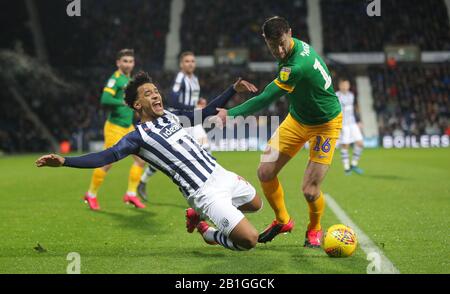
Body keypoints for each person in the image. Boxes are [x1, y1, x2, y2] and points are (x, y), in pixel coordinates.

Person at [36, 72, 263, 251]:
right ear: (137, 105)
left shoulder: (171, 116)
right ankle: (207, 232)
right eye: (148, 93)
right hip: (204, 192)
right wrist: (65, 160)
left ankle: (199, 216)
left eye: (156, 91)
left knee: (256, 205)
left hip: (221, 174)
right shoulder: (138, 138)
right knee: (249, 240)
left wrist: (233, 89)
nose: (156, 95)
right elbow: (105, 156)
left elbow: (205, 113)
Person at [216, 16, 342, 247]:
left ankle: (314, 228)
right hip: (296, 120)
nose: (280, 50)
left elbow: (265, 98)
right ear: (265, 39)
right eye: (274, 46)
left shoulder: (296, 66)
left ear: (290, 33)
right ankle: (283, 220)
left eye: (283, 43)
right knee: (265, 171)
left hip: (325, 125)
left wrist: (230, 114)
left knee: (310, 190)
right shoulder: (293, 51)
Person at [137, 52, 210, 201]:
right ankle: (143, 181)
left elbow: (192, 99)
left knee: (205, 147)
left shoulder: (194, 79)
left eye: (192, 61)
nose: (190, 64)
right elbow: (173, 98)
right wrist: (192, 106)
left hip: (192, 120)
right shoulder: (180, 78)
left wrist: (199, 103)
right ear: (181, 64)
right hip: (181, 120)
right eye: (187, 61)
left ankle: (204, 187)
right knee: (169, 155)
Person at [84, 49, 146, 211]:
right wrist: (122, 103)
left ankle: (131, 194)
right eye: (124, 61)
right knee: (107, 161)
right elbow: (105, 99)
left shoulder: (129, 79)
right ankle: (91, 194)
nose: (128, 64)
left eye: (130, 61)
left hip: (128, 127)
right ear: (118, 63)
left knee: (141, 159)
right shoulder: (115, 79)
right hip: (114, 127)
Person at [336, 78, 364, 175]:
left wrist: (359, 121)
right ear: (340, 86)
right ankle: (347, 168)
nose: (345, 86)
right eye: (344, 85)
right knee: (345, 145)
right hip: (343, 124)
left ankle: (354, 165)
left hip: (352, 123)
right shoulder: (336, 96)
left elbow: (354, 109)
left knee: (360, 143)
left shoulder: (351, 95)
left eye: (347, 85)